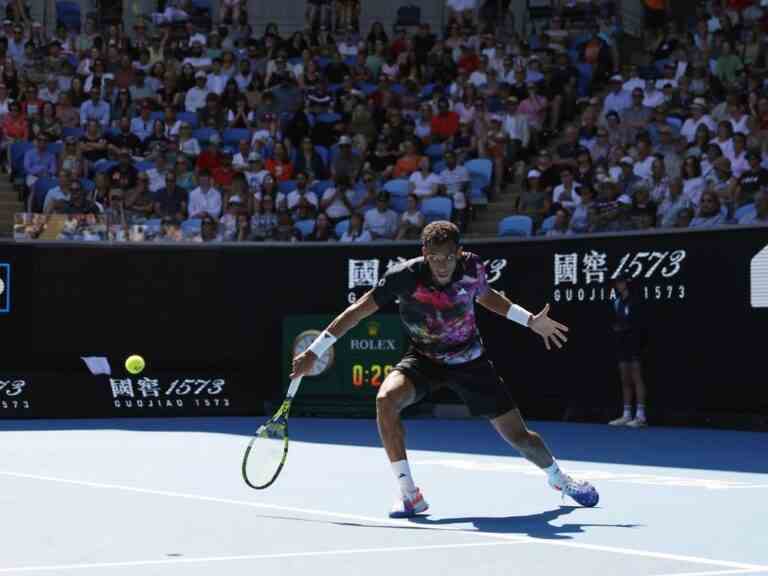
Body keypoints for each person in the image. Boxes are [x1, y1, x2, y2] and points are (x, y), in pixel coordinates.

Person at [290, 221, 599, 518]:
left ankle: (559, 478)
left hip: (470, 361)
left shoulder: (472, 268)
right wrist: (315, 351)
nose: (442, 264)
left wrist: (530, 320)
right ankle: (409, 493)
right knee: (386, 400)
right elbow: (357, 312)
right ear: (425, 253)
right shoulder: (403, 277)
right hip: (423, 359)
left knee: (520, 437)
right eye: (435, 257)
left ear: (459, 253)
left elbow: (488, 296)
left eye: (448, 257)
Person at [608, 272, 649, 428]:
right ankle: (626, 414)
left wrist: (627, 328)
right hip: (622, 345)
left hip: (635, 344)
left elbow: (639, 323)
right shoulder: (617, 302)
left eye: (620, 282)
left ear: (626, 283)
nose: (618, 285)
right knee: (625, 378)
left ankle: (640, 415)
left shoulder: (636, 301)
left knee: (636, 377)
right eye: (616, 282)